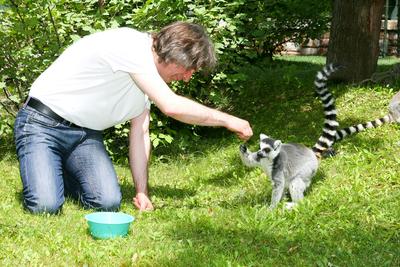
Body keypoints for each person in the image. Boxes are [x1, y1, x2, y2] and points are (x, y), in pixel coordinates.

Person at [13, 21, 253, 214]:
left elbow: (140, 134)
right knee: (45, 206)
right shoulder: (130, 45)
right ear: (174, 54)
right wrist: (228, 120)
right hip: (41, 124)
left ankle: (57, 170)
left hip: (85, 137)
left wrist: (142, 191)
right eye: (188, 69)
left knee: (106, 203)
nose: (188, 77)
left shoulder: (148, 78)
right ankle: (47, 172)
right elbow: (171, 106)